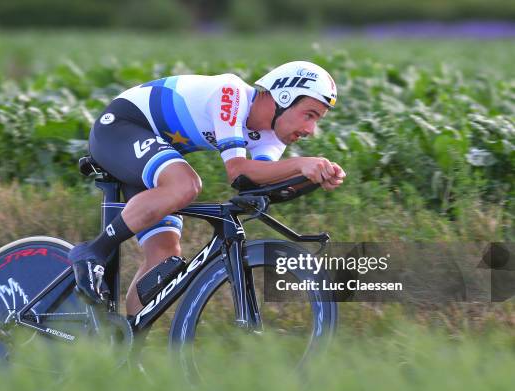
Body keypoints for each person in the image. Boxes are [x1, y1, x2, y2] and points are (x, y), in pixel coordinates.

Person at [68, 60, 346, 320]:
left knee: (164, 255)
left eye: (317, 120)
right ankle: (92, 252)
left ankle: (126, 347)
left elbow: (254, 185)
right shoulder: (231, 93)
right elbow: (238, 170)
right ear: (284, 98)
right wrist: (301, 164)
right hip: (123, 127)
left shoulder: (270, 137)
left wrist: (312, 180)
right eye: (309, 115)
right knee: (185, 185)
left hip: (150, 150)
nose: (311, 129)